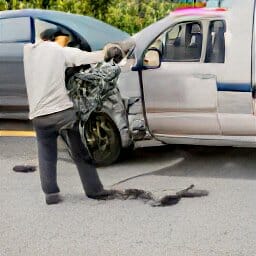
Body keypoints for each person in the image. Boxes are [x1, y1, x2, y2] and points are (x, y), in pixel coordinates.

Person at [23, 27, 126, 205]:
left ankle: (51, 194)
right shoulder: (59, 51)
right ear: (55, 38)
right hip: (62, 113)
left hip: (39, 116)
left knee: (46, 153)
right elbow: (88, 57)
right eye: (65, 39)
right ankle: (94, 190)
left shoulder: (28, 53)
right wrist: (109, 51)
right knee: (80, 152)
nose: (65, 42)